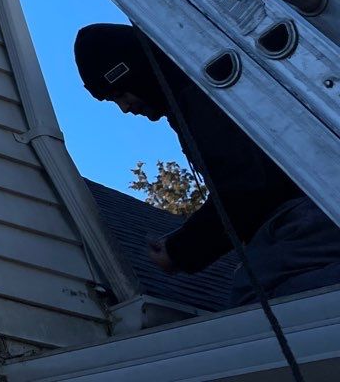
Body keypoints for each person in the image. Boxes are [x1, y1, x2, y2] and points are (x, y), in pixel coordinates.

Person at [75, 22, 340, 306]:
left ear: (134, 73)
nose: (125, 108)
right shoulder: (199, 89)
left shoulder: (203, 96)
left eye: (119, 95)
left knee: (256, 300)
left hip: (315, 211)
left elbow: (247, 190)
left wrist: (181, 250)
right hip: (313, 207)